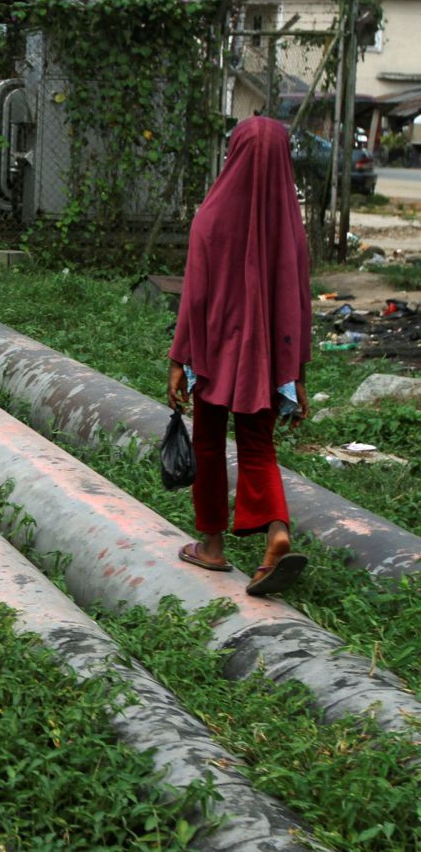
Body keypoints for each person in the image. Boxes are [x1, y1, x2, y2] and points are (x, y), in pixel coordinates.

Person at [168, 116, 311, 595]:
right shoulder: (290, 231)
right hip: (266, 365)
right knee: (258, 446)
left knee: (208, 442)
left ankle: (210, 547)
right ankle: (277, 530)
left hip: (213, 357)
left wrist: (178, 360)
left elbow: (194, 299)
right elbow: (299, 310)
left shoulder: (210, 218)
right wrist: (297, 375)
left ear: (235, 154)